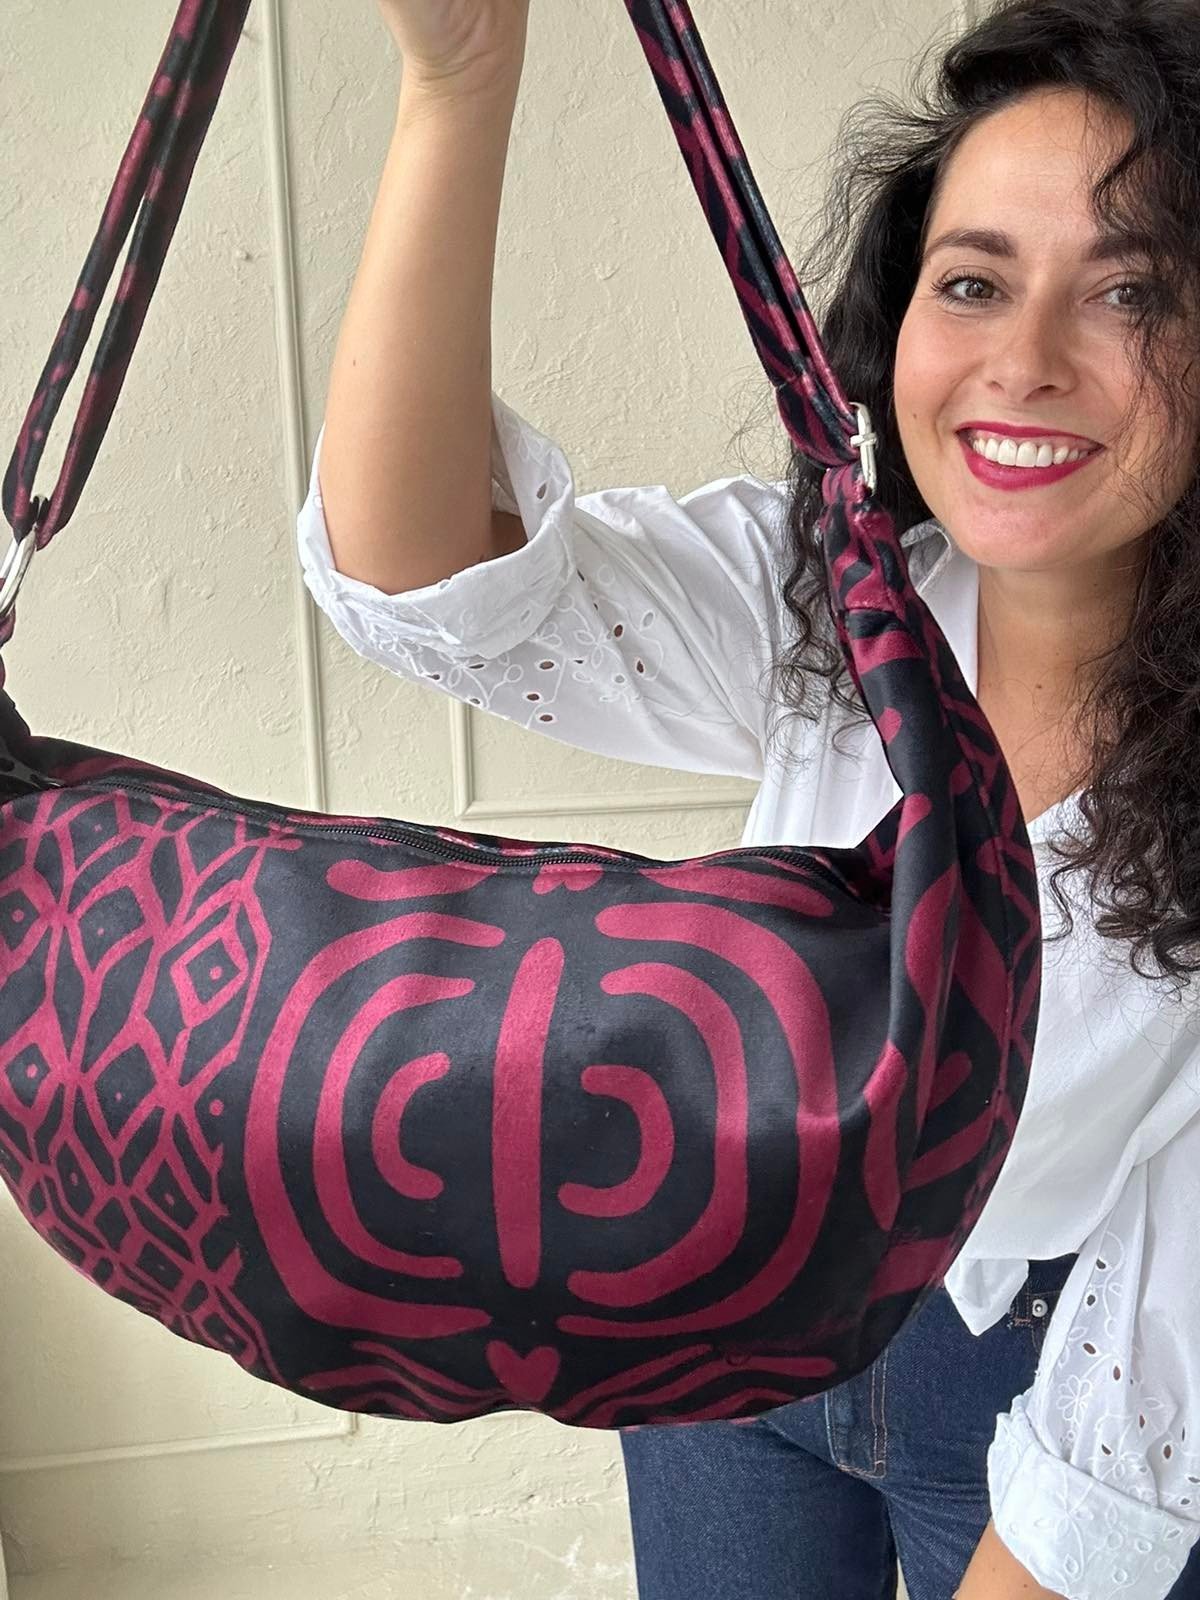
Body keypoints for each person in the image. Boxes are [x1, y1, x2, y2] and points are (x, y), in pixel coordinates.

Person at [296, 0, 1200, 1595]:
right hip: (718, 1319)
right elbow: (422, 576)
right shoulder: (836, 599)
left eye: (1132, 292)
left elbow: (1147, 1393)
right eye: (973, 281)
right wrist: (458, 81)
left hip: (1066, 1383)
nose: (1025, 360)